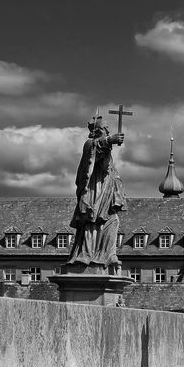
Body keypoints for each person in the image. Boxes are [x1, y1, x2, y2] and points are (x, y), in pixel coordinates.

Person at [67, 115, 126, 271]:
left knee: (113, 221)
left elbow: (110, 169)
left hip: (106, 191)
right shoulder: (90, 144)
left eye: (108, 130)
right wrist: (108, 141)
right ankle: (87, 256)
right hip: (94, 190)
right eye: (105, 129)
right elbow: (94, 150)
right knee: (92, 222)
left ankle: (108, 255)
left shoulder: (105, 149)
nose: (107, 131)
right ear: (99, 131)